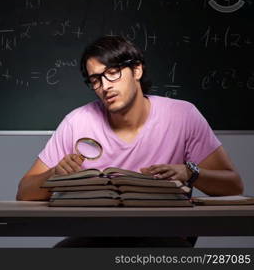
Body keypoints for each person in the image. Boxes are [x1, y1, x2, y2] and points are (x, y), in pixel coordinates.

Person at [16, 36, 244, 247]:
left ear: (136, 70)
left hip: (162, 238)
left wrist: (190, 172)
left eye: (112, 73)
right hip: (97, 238)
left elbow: (233, 186)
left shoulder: (182, 115)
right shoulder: (77, 121)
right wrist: (54, 173)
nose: (105, 86)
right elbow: (24, 192)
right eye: (95, 80)